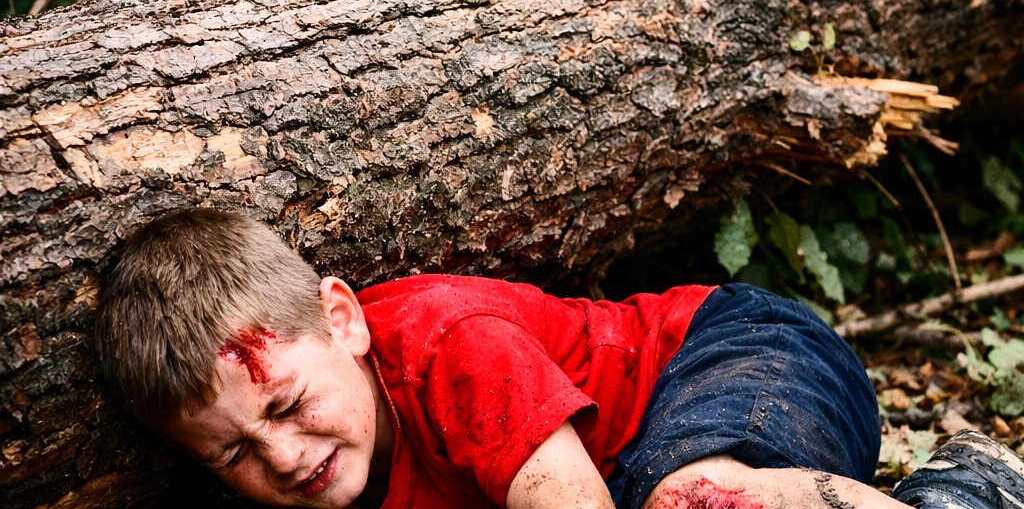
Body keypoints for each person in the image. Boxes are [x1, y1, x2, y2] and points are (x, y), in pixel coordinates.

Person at [94, 208, 1024, 509]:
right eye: (233, 454)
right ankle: (964, 492)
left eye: (289, 406)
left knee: (692, 502)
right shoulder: (320, 466)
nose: (284, 458)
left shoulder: (445, 345)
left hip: (739, 359)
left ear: (342, 320)